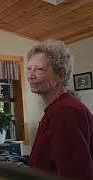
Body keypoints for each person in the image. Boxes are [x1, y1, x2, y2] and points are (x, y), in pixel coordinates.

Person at [27, 39, 93, 179]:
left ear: (61, 75)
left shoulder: (65, 111)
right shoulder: (57, 108)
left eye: (39, 69)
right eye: (29, 68)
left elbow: (76, 174)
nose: (31, 76)